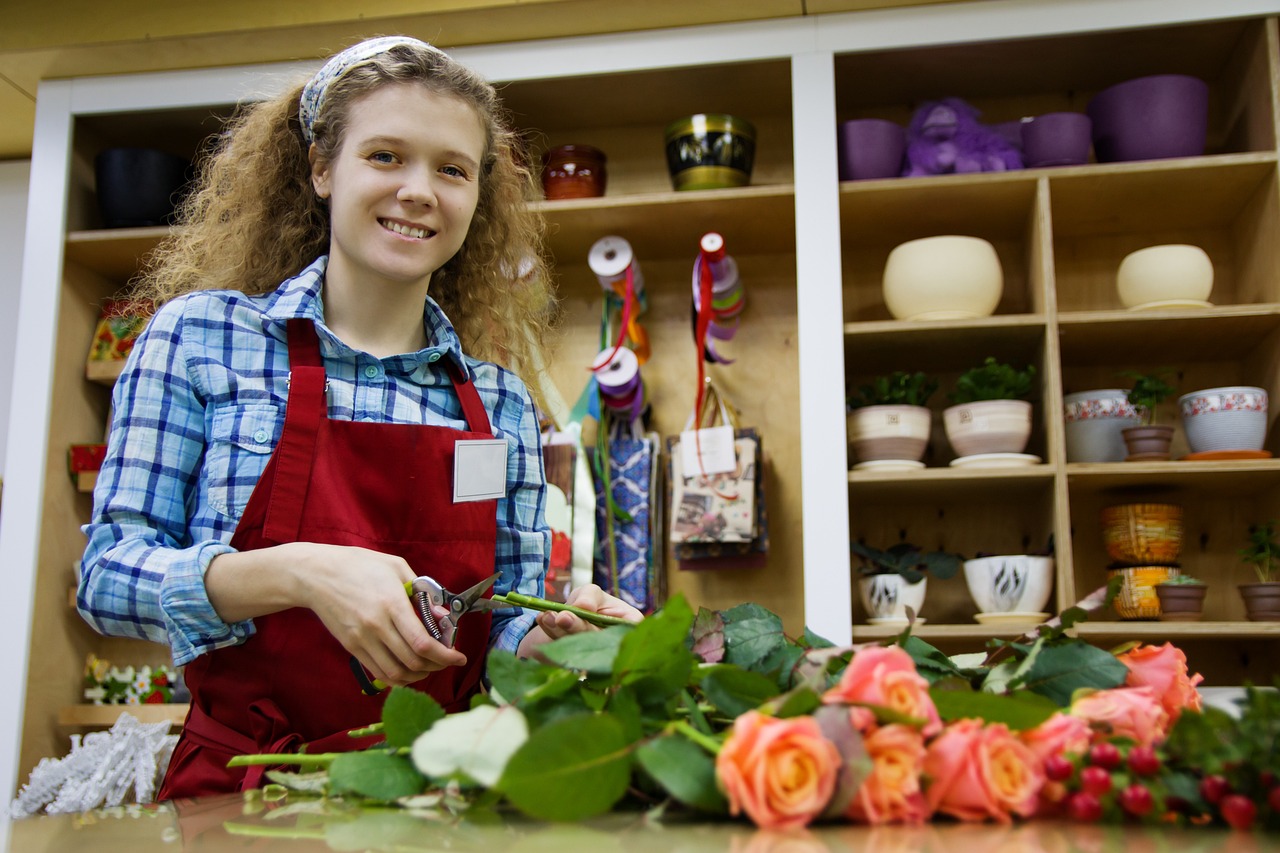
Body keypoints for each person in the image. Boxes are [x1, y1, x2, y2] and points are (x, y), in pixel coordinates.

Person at [77, 35, 642, 799]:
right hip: (242, 792)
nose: (419, 190)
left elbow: (499, 627)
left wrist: (561, 634)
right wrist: (302, 571)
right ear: (320, 168)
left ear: (478, 197)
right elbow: (108, 575)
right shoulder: (202, 337)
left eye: (452, 169)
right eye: (385, 156)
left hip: (436, 798)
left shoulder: (497, 402)